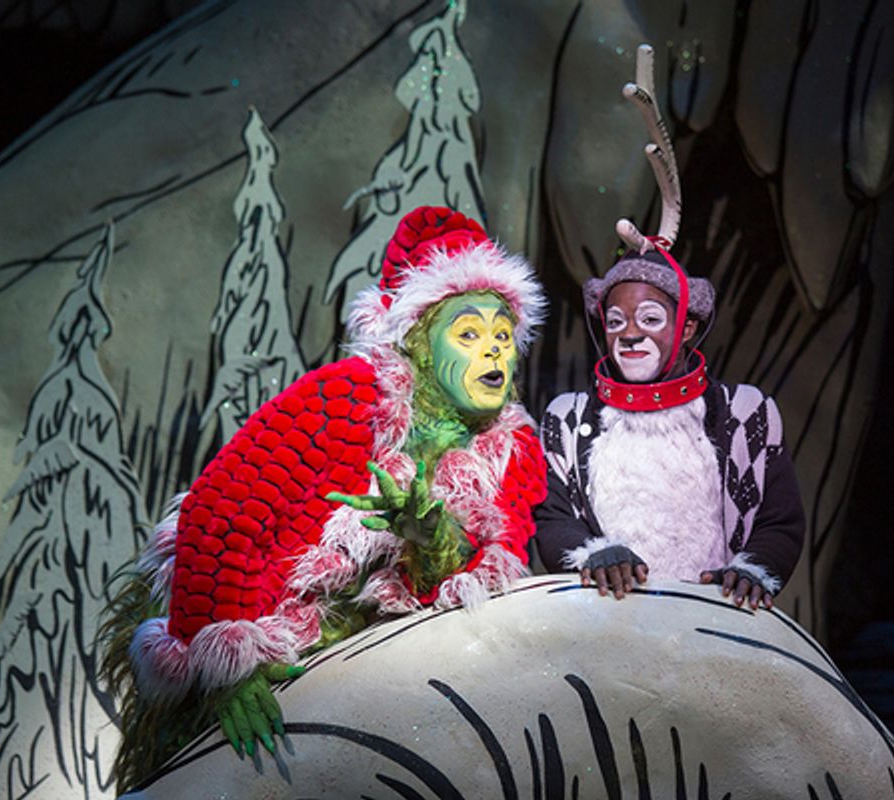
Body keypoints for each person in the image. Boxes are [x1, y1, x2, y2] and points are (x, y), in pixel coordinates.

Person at [101, 205, 548, 790]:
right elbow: (220, 510)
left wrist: (432, 537)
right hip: (262, 630)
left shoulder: (513, 451)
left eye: (503, 335)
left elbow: (476, 579)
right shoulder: (349, 397)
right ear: (416, 339)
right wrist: (227, 669)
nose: (493, 352)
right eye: (468, 334)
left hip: (377, 684)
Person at [534, 245, 804, 610]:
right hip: (607, 625)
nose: (629, 334)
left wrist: (751, 570)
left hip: (716, 624)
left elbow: (780, 521)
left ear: (687, 327)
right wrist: (594, 554)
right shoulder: (567, 418)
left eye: (649, 319)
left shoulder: (745, 413)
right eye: (615, 322)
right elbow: (552, 517)